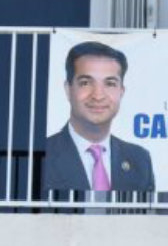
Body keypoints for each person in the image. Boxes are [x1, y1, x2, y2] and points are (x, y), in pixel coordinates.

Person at [41, 41, 155, 200]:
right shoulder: (42, 154)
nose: (98, 96)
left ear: (121, 92)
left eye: (110, 83)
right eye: (85, 83)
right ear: (68, 89)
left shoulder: (140, 159)